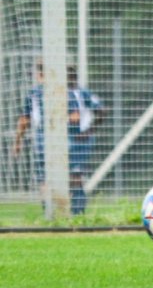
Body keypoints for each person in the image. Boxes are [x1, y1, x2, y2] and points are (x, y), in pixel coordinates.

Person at [13, 63, 105, 215]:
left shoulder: (46, 92)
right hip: (63, 140)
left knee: (49, 178)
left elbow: (24, 120)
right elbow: (75, 117)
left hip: (56, 141)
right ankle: (74, 214)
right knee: (70, 177)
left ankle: (53, 214)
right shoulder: (58, 92)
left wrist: (17, 142)